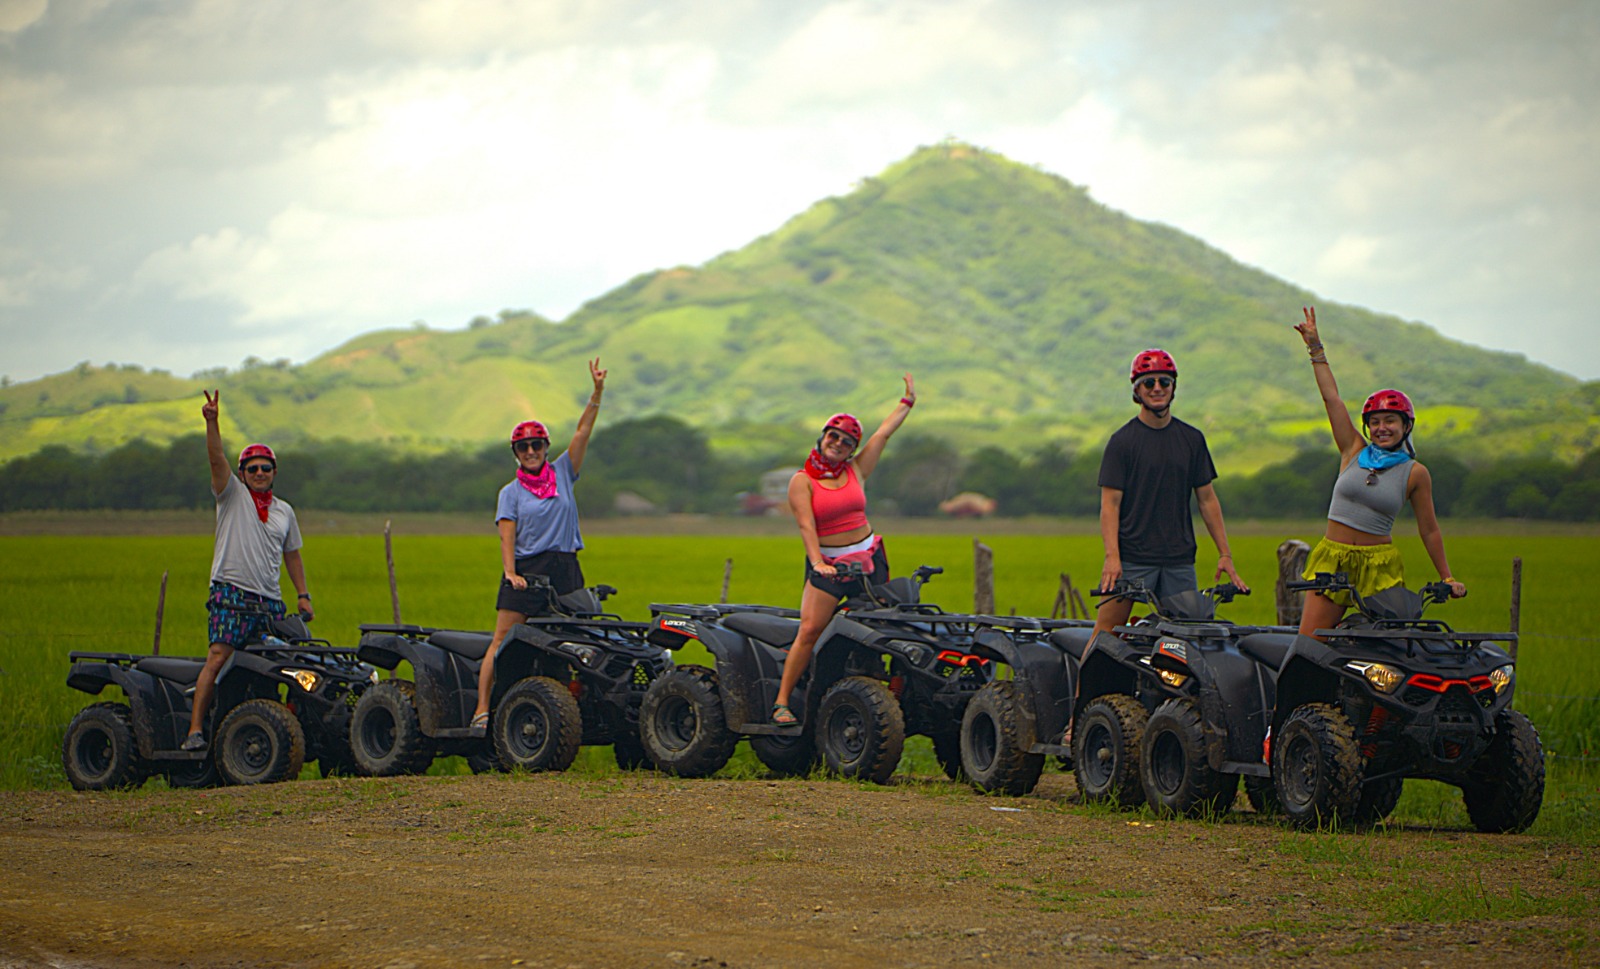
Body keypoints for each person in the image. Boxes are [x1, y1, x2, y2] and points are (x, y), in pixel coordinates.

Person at [1292, 307, 1465, 638]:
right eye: (1375, 422)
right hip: (1334, 559)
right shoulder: (1353, 450)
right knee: (1310, 644)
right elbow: (1332, 399)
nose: (1381, 428)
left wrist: (1447, 577)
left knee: (1385, 648)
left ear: (1405, 426)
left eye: (1390, 421)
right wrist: (1315, 348)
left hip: (1379, 565)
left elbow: (1429, 530)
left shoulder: (1415, 473)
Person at [471, 358, 608, 731]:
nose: (531, 451)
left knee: (574, 642)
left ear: (546, 447)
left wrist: (596, 393)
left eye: (536, 445)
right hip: (527, 570)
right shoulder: (510, 493)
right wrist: (511, 573)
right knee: (501, 640)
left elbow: (582, 433)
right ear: (516, 453)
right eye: (523, 447)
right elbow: (507, 534)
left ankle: (577, 710)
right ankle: (482, 708)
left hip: (565, 567)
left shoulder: (564, 471)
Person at [772, 374, 916, 725]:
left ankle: (890, 698)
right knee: (809, 631)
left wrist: (907, 402)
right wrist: (818, 563)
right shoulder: (802, 480)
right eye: (833, 436)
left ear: (853, 449)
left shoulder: (855, 470)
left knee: (890, 626)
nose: (837, 443)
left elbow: (883, 434)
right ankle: (782, 702)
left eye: (847, 441)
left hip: (869, 559)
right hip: (830, 564)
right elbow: (807, 525)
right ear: (822, 438)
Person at [182, 390, 312, 750]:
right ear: (242, 473)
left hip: (269, 600)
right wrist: (212, 422)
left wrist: (302, 595)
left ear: (274, 473)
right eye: (251, 468)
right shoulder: (231, 495)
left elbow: (293, 556)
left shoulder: (285, 511)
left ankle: (278, 734)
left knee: (279, 664)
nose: (258, 473)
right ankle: (195, 730)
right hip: (231, 594)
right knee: (219, 655)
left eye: (265, 468)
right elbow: (214, 458)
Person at [1095, 349, 1247, 635]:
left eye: (1164, 382)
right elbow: (1110, 505)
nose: (1157, 389)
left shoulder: (1192, 439)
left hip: (1179, 559)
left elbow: (1207, 499)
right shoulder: (1122, 442)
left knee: (1186, 637)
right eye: (1148, 383)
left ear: (1174, 387)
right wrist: (1112, 557)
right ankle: (1086, 682)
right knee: (1106, 633)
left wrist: (1224, 553)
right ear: (1136, 390)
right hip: (1132, 558)